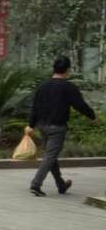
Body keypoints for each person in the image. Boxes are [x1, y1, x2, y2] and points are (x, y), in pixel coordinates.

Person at [25, 56, 97, 197]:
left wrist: (31, 125)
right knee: (50, 156)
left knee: (51, 156)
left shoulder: (42, 86)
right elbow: (80, 105)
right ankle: (36, 184)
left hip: (42, 126)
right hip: (57, 128)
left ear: (54, 68)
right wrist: (92, 116)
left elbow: (35, 107)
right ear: (68, 70)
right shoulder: (68, 87)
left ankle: (61, 185)